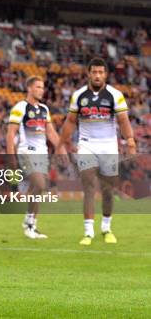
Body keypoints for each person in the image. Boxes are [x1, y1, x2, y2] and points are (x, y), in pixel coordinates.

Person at [60, 57, 136, 245]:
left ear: (106, 74)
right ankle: (88, 232)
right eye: (94, 72)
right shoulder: (78, 95)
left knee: (108, 190)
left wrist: (131, 142)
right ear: (88, 73)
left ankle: (106, 227)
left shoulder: (115, 95)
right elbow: (70, 121)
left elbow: (123, 120)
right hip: (86, 144)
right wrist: (62, 143)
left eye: (101, 72)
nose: (97, 75)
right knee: (88, 187)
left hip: (109, 145)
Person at [6, 76, 62, 239]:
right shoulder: (20, 107)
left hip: (42, 153)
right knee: (39, 184)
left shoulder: (44, 109)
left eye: (42, 87)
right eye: (38, 87)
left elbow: (50, 132)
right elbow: (11, 133)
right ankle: (29, 224)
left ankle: (30, 224)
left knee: (38, 190)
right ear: (29, 88)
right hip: (26, 152)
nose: (41, 90)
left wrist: (62, 148)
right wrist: (11, 158)